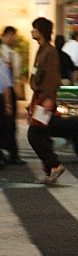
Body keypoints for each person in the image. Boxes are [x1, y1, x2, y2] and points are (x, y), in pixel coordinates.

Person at [28, 18, 64, 185]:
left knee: (34, 133)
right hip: (40, 97)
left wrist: (49, 98)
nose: (32, 31)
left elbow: (53, 77)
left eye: (34, 28)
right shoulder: (42, 50)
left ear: (41, 31)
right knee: (42, 133)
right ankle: (50, 171)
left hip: (45, 98)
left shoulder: (50, 51)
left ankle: (54, 164)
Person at [0, 26, 24, 164]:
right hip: (3, 90)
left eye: (13, 35)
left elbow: (16, 76)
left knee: (11, 123)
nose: (11, 38)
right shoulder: (2, 53)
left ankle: (13, 153)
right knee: (5, 123)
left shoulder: (15, 54)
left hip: (10, 89)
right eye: (9, 35)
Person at [0, 60, 13, 167]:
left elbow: (6, 88)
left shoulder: (2, 65)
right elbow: (6, 87)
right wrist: (8, 105)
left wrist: (8, 104)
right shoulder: (2, 65)